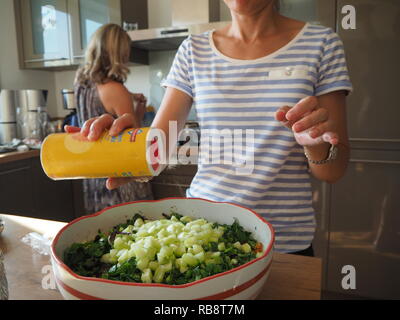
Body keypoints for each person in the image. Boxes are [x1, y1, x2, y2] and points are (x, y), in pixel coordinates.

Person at [67, 0, 352, 256]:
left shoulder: (321, 43)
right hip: (201, 236)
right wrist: (118, 145)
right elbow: (156, 149)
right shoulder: (193, 50)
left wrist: (312, 142)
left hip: (283, 243)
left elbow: (333, 171)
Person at [73, 23, 153, 214]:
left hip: (93, 171)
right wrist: (139, 109)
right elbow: (132, 138)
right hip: (119, 177)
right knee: (132, 230)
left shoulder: (81, 83)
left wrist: (135, 104)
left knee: (102, 228)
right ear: (119, 52)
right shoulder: (116, 90)